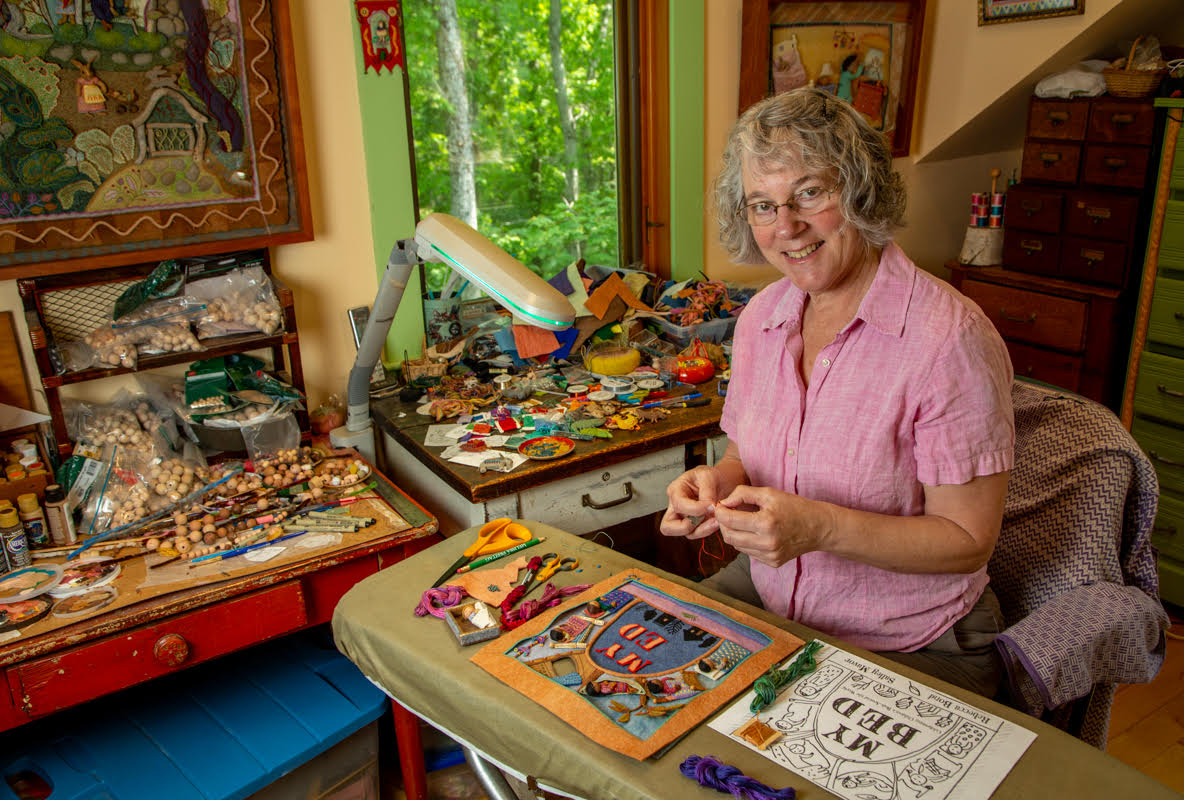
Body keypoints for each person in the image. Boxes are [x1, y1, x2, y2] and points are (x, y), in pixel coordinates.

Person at [660, 87, 1014, 698]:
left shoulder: (949, 339)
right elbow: (750, 456)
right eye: (762, 206)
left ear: (860, 189)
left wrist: (819, 529)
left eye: (809, 193)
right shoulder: (761, 318)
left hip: (911, 640)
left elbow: (966, 541)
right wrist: (716, 484)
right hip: (777, 603)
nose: (787, 227)